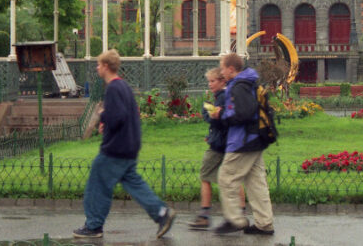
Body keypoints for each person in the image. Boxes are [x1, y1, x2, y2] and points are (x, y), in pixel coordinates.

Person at [73, 49, 175, 239]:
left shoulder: (112, 88)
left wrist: (103, 116)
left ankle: (93, 226)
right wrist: (108, 121)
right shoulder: (124, 87)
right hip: (130, 144)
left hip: (115, 148)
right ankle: (162, 213)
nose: (97, 68)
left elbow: (117, 116)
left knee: (97, 183)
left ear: (105, 66)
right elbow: (125, 115)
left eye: (98, 65)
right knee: (134, 183)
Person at [211, 53, 275, 235]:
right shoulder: (249, 82)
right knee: (256, 183)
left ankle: (235, 220)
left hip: (243, 141)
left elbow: (244, 114)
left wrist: (221, 115)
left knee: (226, 178)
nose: (222, 72)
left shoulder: (238, 86)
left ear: (231, 69)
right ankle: (264, 223)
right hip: (256, 139)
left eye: (223, 68)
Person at [189, 67, 245, 229]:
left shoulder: (221, 97)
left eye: (213, 81)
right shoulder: (229, 96)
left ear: (222, 81)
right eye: (209, 81)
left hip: (218, 146)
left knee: (205, 176)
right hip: (230, 144)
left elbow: (218, 121)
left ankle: (204, 215)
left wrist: (207, 113)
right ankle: (240, 212)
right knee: (234, 179)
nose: (210, 84)